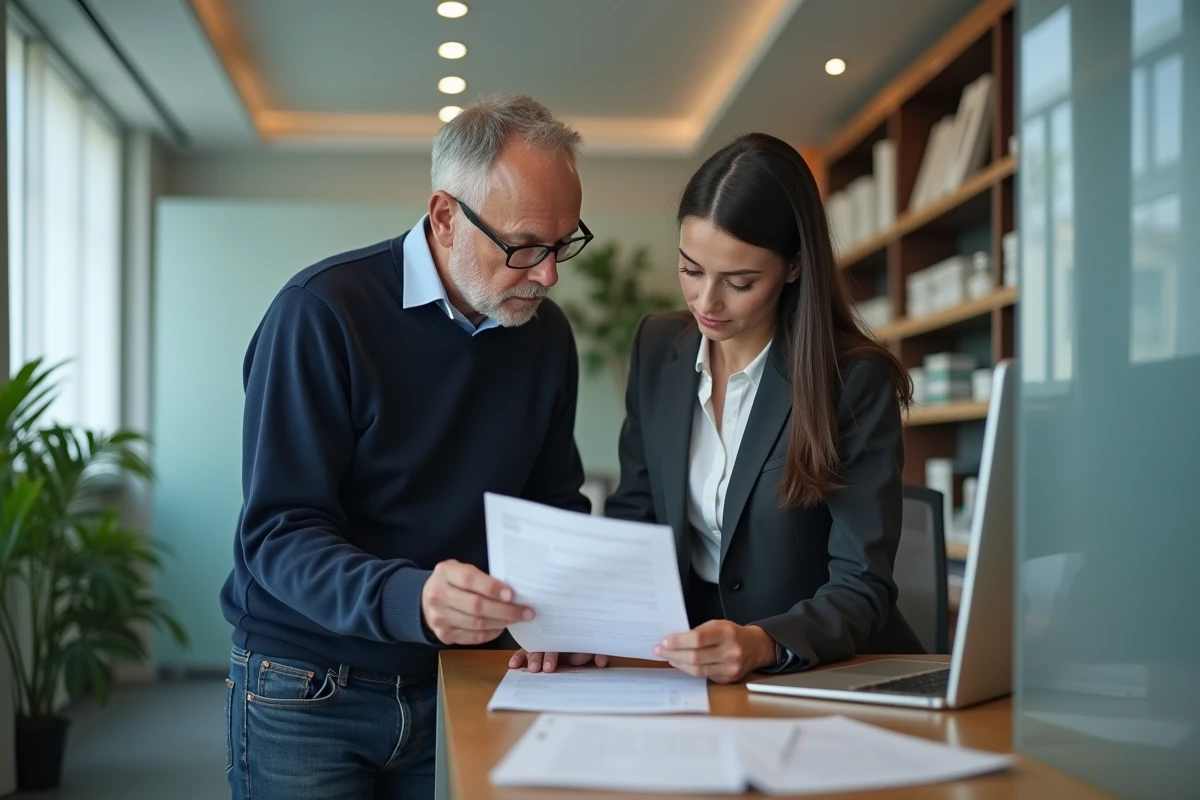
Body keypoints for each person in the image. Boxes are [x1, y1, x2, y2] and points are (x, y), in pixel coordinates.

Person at [220, 94, 608, 800]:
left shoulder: (545, 336)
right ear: (444, 216)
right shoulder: (320, 313)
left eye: (562, 245)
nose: (549, 274)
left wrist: (562, 611)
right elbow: (278, 533)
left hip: (468, 677)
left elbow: (551, 503)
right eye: (525, 246)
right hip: (308, 685)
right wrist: (413, 598)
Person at [511, 132, 922, 681]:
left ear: (795, 266)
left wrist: (763, 643)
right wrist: (589, 625)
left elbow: (862, 583)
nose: (707, 302)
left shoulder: (852, 381)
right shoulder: (658, 346)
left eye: (739, 282)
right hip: (684, 659)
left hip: (818, 671)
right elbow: (638, 516)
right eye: (691, 269)